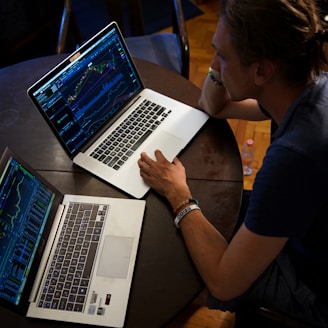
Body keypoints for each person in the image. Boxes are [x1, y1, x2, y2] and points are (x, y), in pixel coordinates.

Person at [137, 0, 328, 326]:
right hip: (308, 229)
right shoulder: (306, 84)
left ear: (261, 70)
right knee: (205, 209)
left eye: (223, 57)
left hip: (313, 286)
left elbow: (225, 284)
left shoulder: (294, 157)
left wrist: (179, 196)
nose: (212, 64)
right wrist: (223, 60)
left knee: (171, 277)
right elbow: (214, 106)